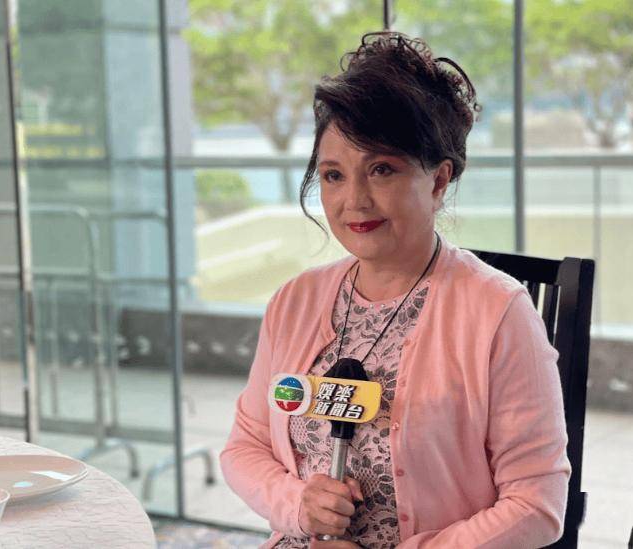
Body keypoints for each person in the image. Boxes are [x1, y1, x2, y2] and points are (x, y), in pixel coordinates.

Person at [220, 31, 570, 549]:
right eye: (333, 175)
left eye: (381, 170)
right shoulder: (295, 301)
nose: (354, 200)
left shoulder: (498, 311)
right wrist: (298, 504)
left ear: (438, 181)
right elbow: (245, 447)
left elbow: (536, 505)